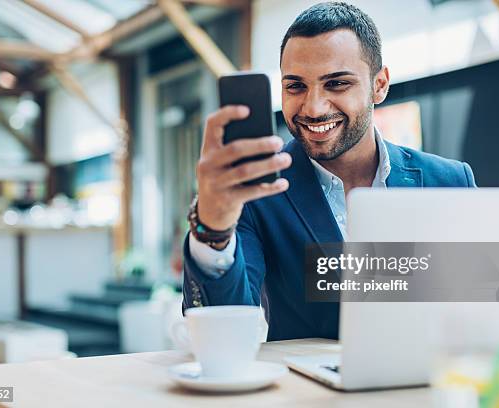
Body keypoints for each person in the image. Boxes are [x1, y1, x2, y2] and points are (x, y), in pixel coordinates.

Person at [183, 2, 476, 341]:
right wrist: (213, 229)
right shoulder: (256, 192)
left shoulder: (450, 182)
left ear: (379, 85)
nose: (313, 107)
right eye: (295, 86)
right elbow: (223, 335)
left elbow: (482, 304)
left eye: (336, 84)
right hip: (306, 391)